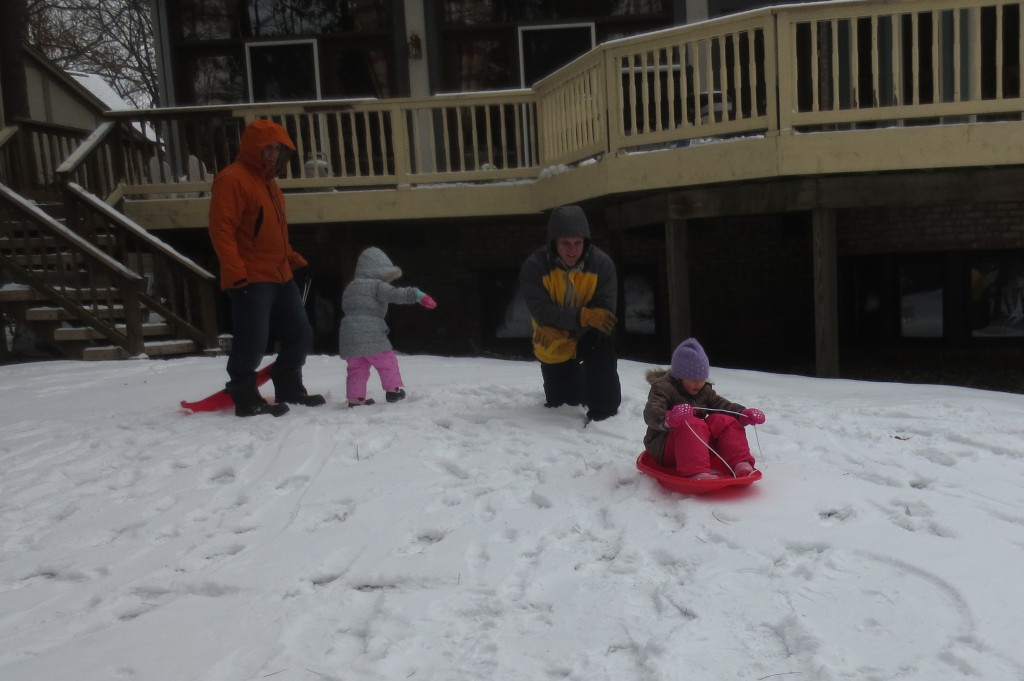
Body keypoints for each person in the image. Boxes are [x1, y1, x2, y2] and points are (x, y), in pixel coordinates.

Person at [208, 119, 325, 417]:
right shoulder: (232, 179)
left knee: (300, 333)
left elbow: (271, 232)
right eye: (267, 148)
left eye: (277, 148)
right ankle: (245, 396)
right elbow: (222, 230)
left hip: (280, 274)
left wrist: (293, 258)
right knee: (253, 342)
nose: (272, 154)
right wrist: (235, 273)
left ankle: (288, 385)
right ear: (252, 147)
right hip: (250, 278)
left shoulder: (270, 184)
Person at [518, 205, 621, 422]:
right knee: (562, 403)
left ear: (586, 242)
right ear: (554, 242)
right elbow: (542, 311)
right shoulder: (534, 267)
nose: (572, 250)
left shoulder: (602, 265)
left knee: (603, 341)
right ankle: (578, 384)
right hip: (550, 338)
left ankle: (605, 414)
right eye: (565, 243)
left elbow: (604, 314)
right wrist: (583, 316)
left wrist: (569, 332)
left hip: (586, 334)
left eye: (577, 243)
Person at [642, 338, 765, 479]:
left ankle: (740, 463)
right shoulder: (663, 388)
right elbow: (651, 412)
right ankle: (696, 472)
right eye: (694, 379)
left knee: (724, 420)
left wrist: (741, 413)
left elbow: (722, 406)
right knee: (692, 423)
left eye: (702, 378)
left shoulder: (704, 390)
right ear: (679, 376)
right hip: (664, 447)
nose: (699, 383)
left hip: (697, 444)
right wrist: (669, 418)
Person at [338, 247, 436, 407]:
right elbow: (396, 294)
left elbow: (346, 306)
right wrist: (417, 295)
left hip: (348, 336)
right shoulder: (377, 286)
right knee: (386, 361)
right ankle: (393, 391)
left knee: (356, 368)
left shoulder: (350, 287)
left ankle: (355, 399)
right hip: (371, 334)